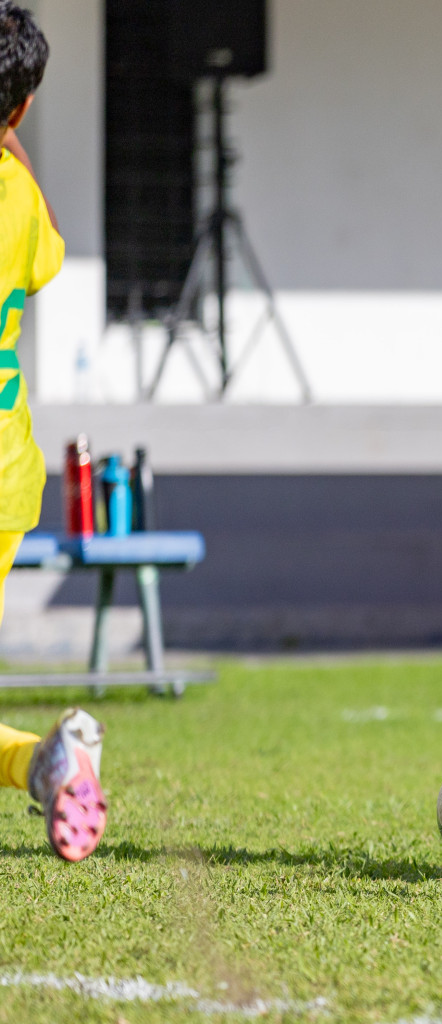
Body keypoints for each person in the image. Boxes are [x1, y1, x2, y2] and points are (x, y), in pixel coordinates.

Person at [0, 1, 106, 862]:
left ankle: (45, 762)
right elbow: (52, 248)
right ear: (24, 110)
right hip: (7, 476)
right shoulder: (20, 205)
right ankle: (46, 764)